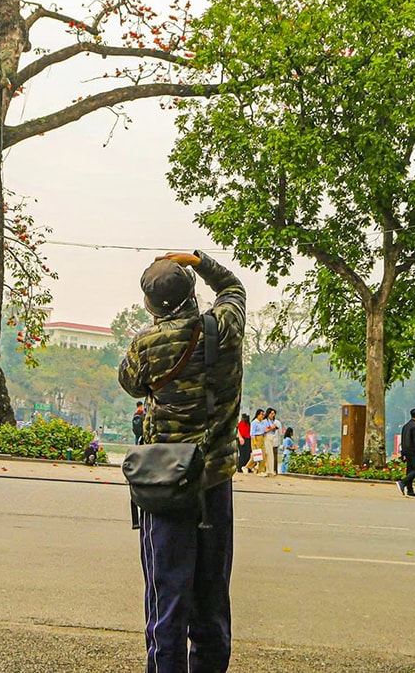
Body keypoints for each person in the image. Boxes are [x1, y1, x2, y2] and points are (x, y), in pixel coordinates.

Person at [118, 250, 245, 673]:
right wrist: (200, 261)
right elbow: (232, 289)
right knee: (211, 598)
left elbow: (130, 384)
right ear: (193, 291)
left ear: (151, 305)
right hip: (214, 481)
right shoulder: (225, 327)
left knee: (166, 598)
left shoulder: (145, 345)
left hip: (167, 485)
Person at [399, 408, 415, 498]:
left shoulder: (406, 426)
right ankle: (403, 482)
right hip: (413, 451)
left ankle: (410, 490)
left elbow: (403, 440)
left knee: (410, 470)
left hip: (406, 450)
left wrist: (403, 453)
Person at [262, 409, 282, 477]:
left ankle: (271, 470)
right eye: (272, 413)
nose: (273, 415)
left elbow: (279, 432)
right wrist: (271, 428)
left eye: (274, 414)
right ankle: (266, 469)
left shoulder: (273, 421)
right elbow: (264, 430)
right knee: (267, 454)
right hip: (267, 437)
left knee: (271, 456)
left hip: (272, 438)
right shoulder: (265, 421)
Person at [248, 409, 267, 474]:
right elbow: (252, 433)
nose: (262, 416)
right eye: (261, 414)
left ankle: (261, 470)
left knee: (263, 455)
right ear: (258, 415)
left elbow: (264, 430)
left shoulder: (262, 422)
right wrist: (254, 441)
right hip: (256, 438)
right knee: (257, 455)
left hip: (262, 438)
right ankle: (247, 467)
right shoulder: (254, 422)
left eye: (263, 414)